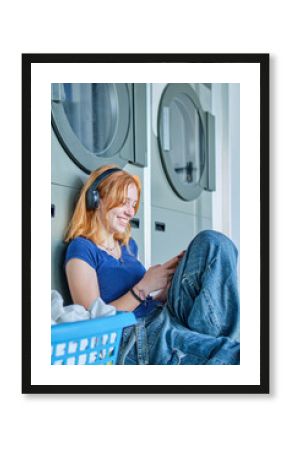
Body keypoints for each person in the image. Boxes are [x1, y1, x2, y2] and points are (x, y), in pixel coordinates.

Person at [64, 164, 240, 365]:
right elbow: (93, 324)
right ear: (97, 199)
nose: (131, 212)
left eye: (134, 204)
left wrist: (167, 284)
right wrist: (144, 287)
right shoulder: (82, 248)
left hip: (164, 314)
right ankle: (215, 347)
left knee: (213, 243)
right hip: (137, 334)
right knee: (233, 354)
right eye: (125, 202)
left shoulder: (129, 246)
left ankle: (213, 342)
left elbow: (146, 301)